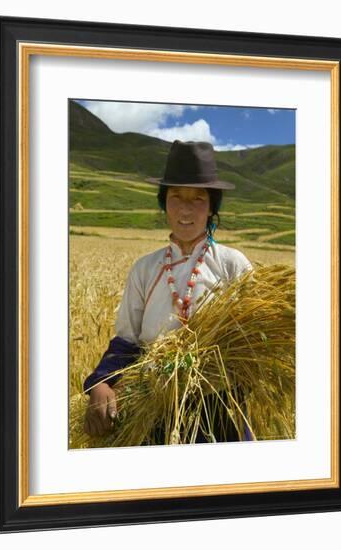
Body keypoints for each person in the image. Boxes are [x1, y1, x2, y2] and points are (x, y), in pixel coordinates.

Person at [83, 140, 252, 442]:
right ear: (164, 203)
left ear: (212, 205)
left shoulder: (232, 265)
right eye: (176, 196)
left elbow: (252, 343)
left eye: (198, 198)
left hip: (219, 411)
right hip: (154, 410)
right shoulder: (146, 269)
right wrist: (101, 384)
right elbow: (127, 341)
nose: (186, 208)